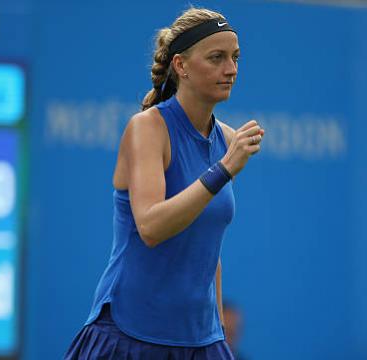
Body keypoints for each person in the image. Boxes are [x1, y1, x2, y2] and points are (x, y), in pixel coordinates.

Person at [64, 7, 264, 360]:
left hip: (202, 341)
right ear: (181, 66)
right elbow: (151, 227)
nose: (231, 69)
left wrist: (216, 334)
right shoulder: (147, 128)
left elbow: (209, 250)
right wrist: (224, 169)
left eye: (234, 58)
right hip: (128, 336)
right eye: (216, 58)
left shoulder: (227, 140)